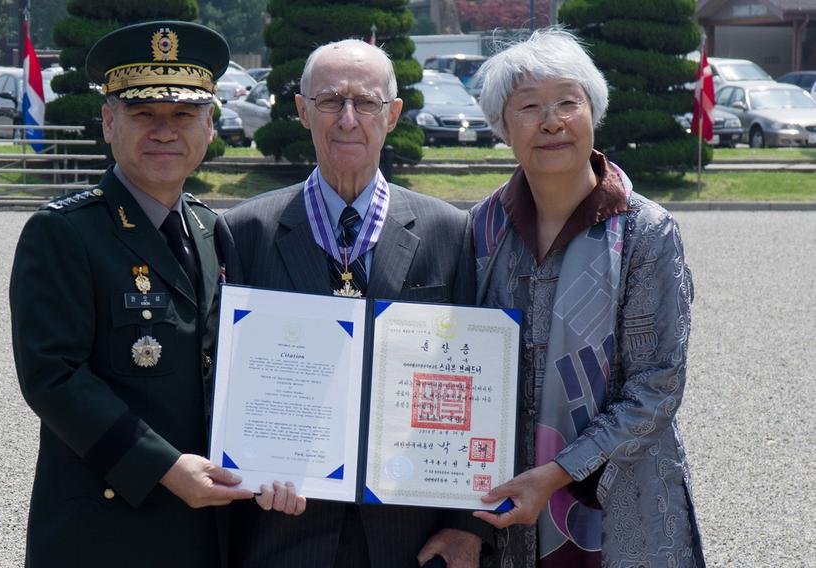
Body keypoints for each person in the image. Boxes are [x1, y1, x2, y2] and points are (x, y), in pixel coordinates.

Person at [216, 39, 492, 568]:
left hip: (409, 534)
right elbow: (224, 384)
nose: (347, 119)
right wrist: (248, 468)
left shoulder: (449, 231)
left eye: (365, 103)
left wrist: (465, 528)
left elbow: (479, 390)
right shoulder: (247, 231)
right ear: (300, 111)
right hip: (284, 525)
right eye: (328, 101)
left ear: (391, 115)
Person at [9, 21, 254, 567]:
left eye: (184, 115)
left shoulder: (215, 231)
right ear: (107, 122)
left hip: (205, 528)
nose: (165, 131)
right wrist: (163, 467)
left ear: (209, 126)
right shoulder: (65, 233)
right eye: (143, 114)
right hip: (106, 528)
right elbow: (54, 377)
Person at [467, 28, 705, 567]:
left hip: (623, 505)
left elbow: (657, 387)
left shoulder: (646, 232)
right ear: (503, 128)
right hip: (503, 498)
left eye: (567, 103)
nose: (551, 121)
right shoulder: (481, 229)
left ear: (593, 111)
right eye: (528, 107)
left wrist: (556, 474)